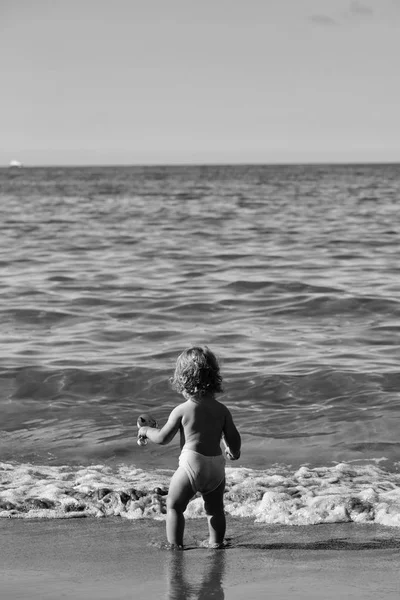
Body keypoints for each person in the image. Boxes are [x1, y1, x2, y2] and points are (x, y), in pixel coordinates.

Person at [138, 346, 241, 549]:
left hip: (192, 465)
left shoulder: (182, 410)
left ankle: (175, 546)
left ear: (182, 380)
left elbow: (162, 438)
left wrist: (146, 432)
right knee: (215, 510)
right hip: (216, 467)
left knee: (174, 506)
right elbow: (234, 437)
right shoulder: (222, 410)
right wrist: (234, 452)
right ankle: (216, 543)